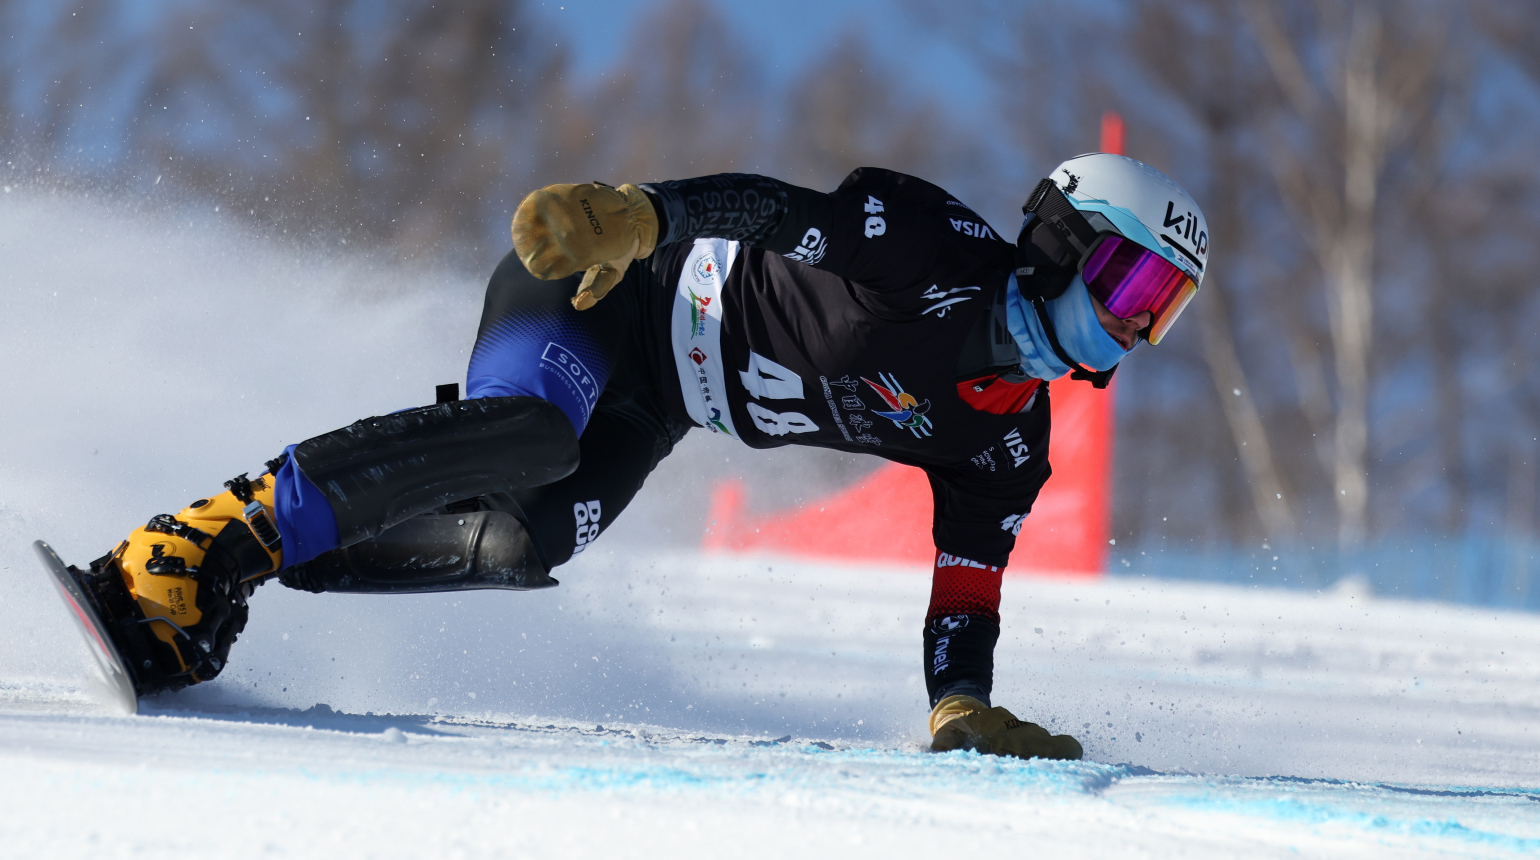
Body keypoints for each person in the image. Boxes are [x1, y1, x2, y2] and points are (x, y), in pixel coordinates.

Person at [70, 153, 1209, 760]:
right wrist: (641, 214)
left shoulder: (1007, 444)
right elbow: (776, 209)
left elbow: (967, 586)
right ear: (1060, 241)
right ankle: (195, 543)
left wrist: (961, 702)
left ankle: (235, 579)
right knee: (530, 435)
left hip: (660, 401)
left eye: (1160, 309)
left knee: (522, 540)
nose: (1132, 326)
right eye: (1129, 283)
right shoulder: (933, 249)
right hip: (611, 287)